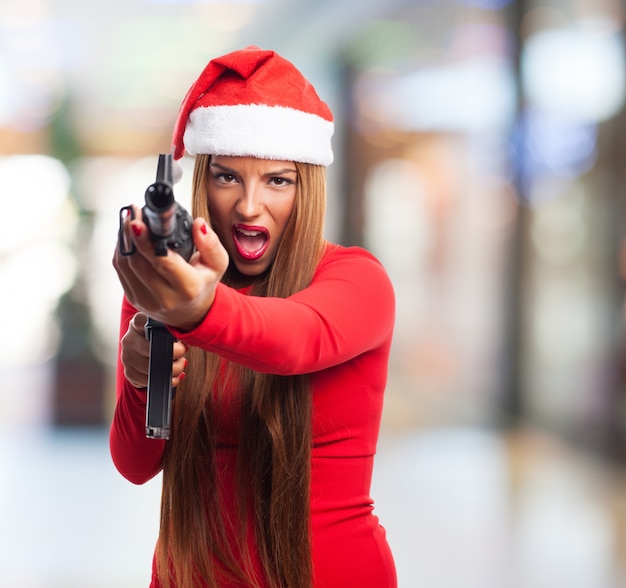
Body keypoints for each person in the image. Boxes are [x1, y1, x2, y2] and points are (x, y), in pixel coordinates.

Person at [110, 46, 397, 588]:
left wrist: (197, 309)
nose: (247, 206)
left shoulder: (358, 280)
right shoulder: (167, 289)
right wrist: (142, 379)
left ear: (306, 186)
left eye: (277, 181)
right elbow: (135, 463)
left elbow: (294, 339)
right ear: (202, 182)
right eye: (226, 178)